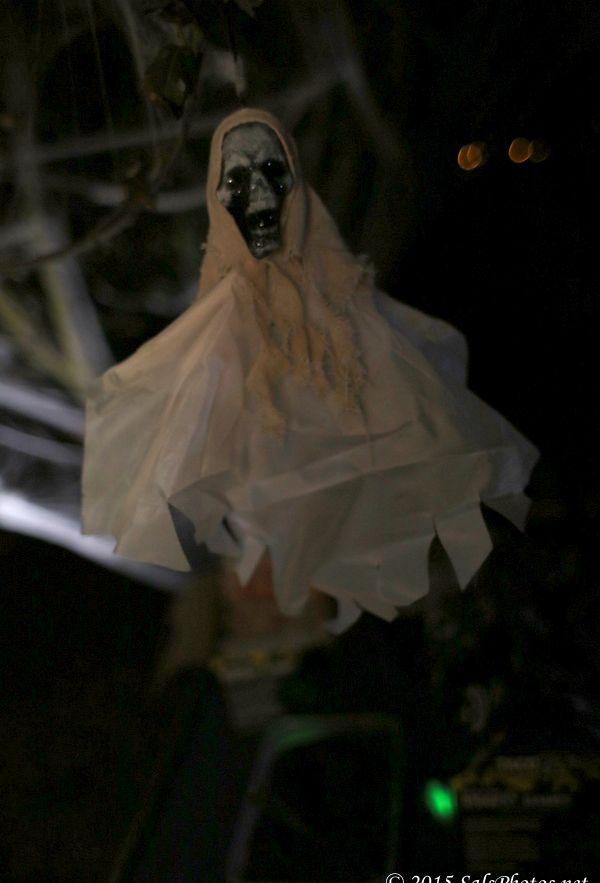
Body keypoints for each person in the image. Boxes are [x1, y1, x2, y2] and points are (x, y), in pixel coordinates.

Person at [82, 107, 537, 633]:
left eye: (271, 173)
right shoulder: (208, 341)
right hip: (290, 556)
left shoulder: (357, 317)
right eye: (237, 180)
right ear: (218, 193)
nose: (257, 195)